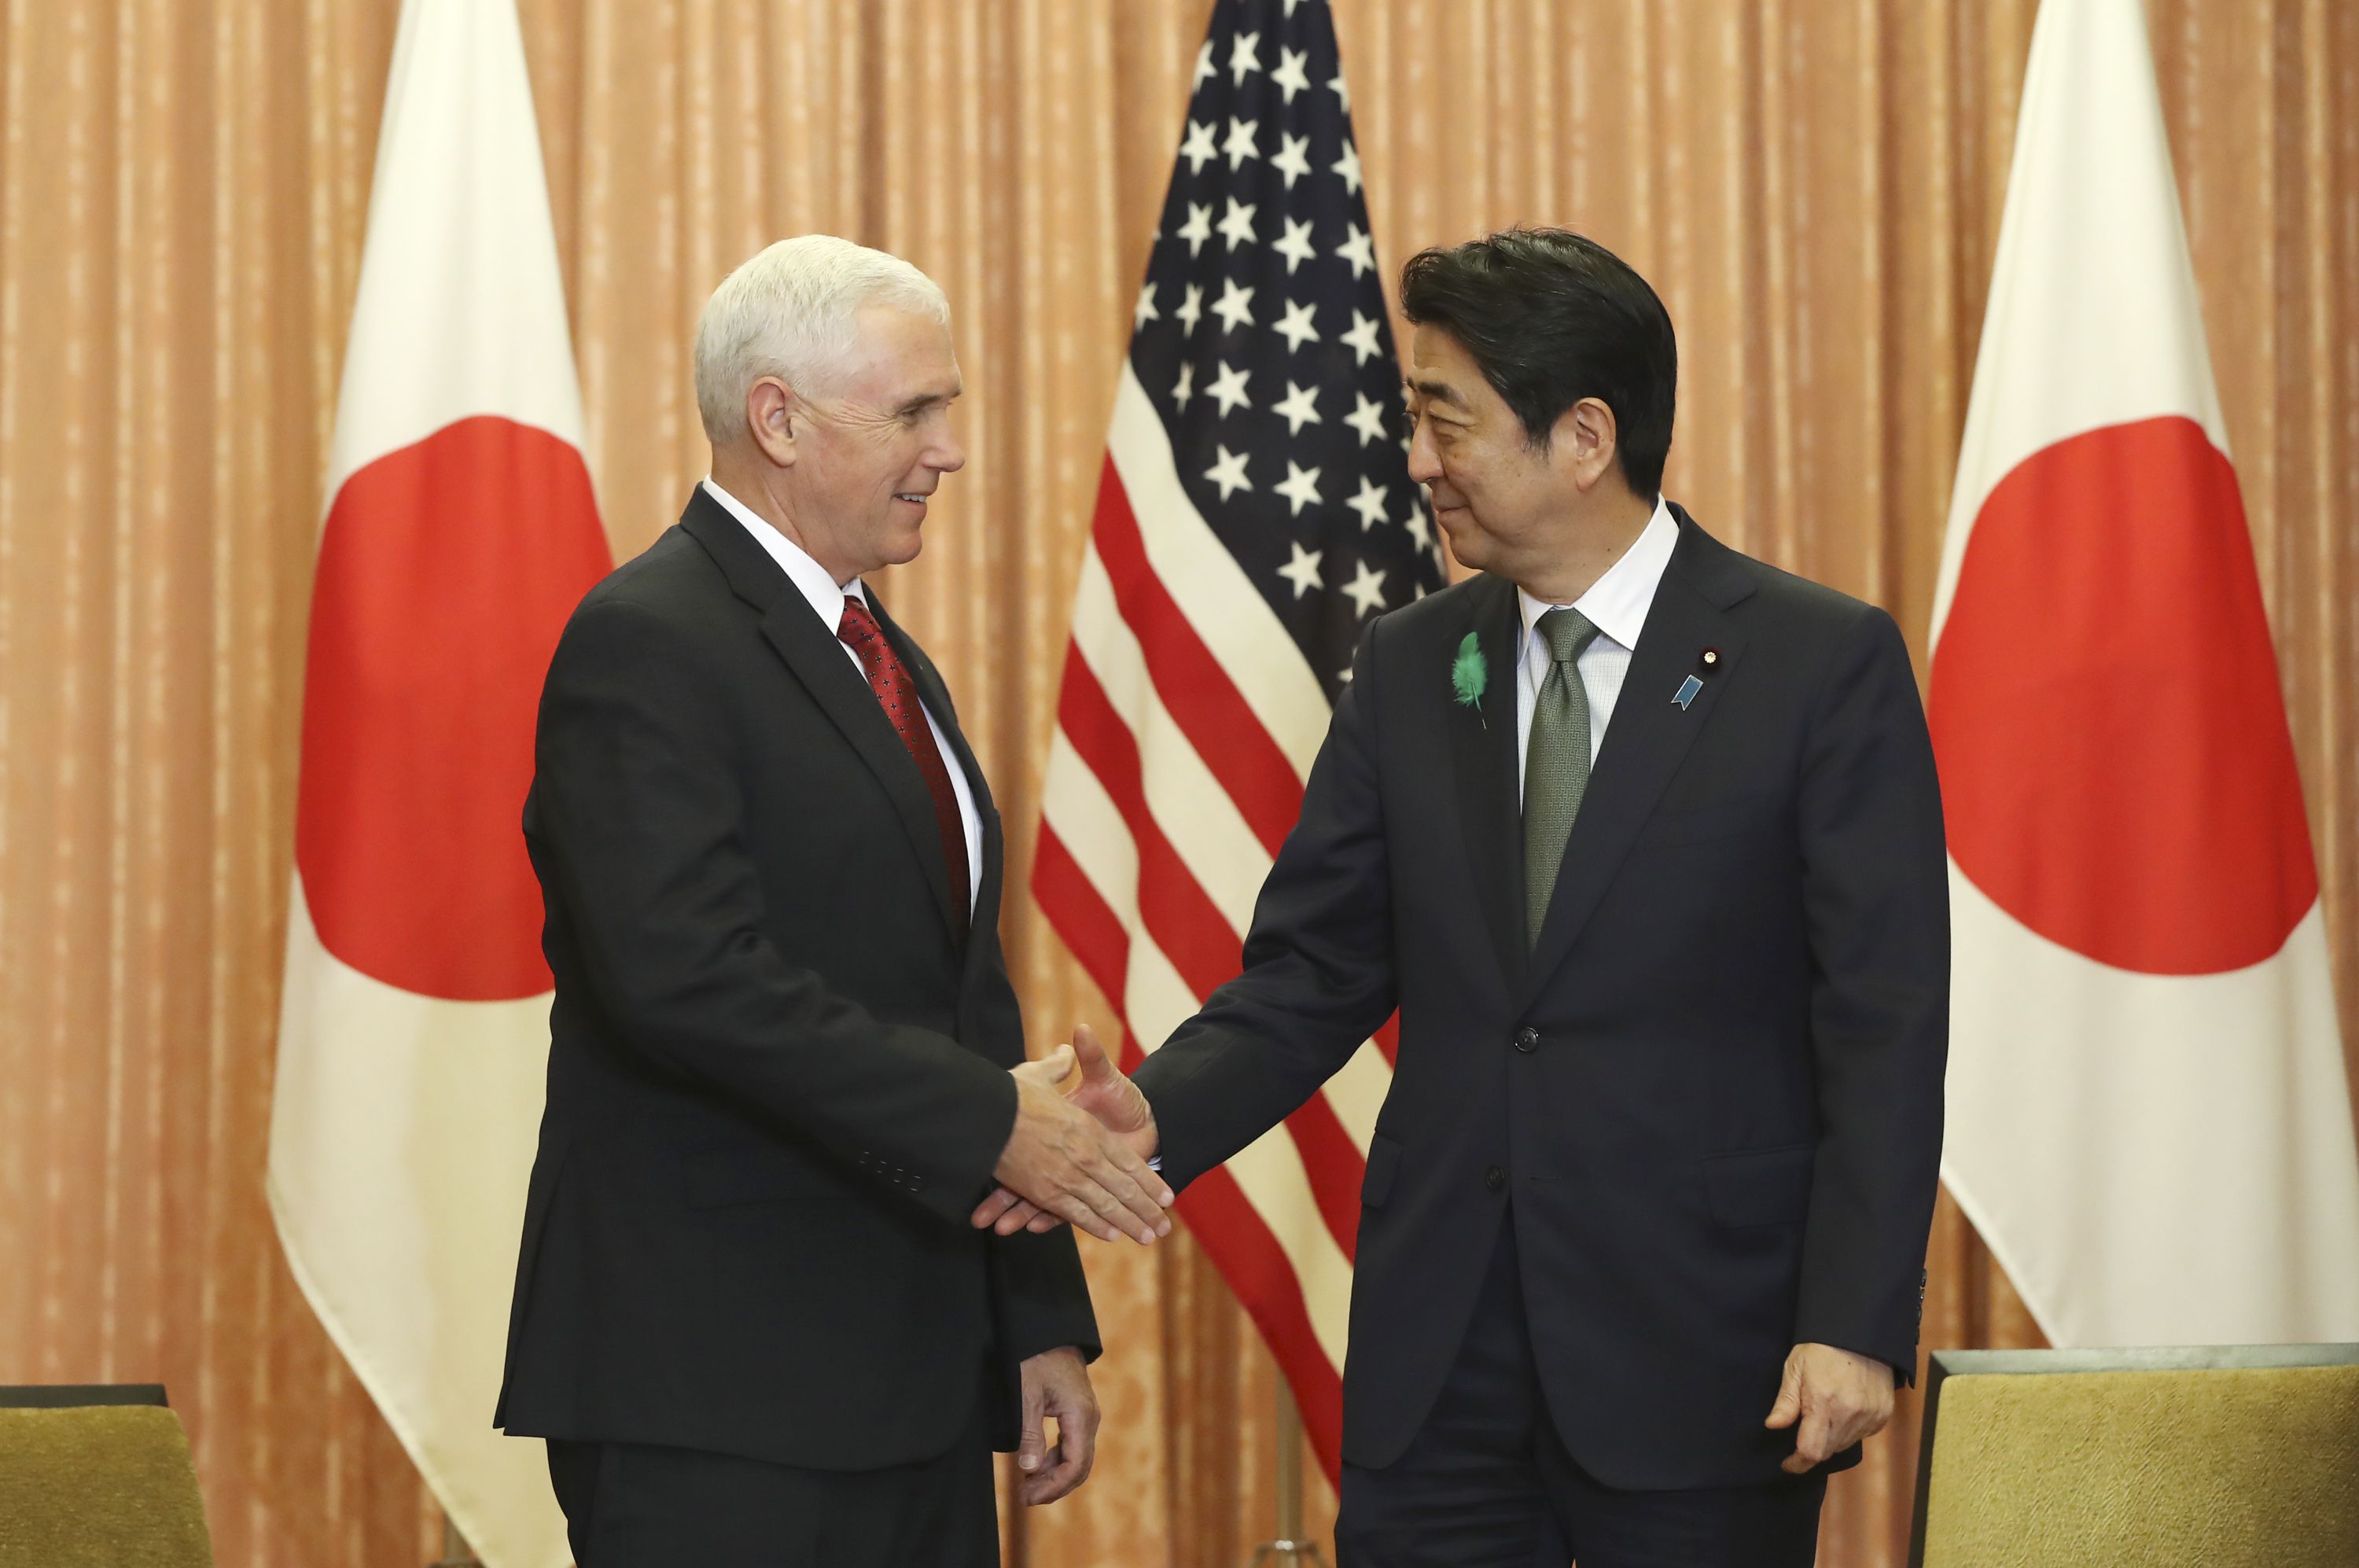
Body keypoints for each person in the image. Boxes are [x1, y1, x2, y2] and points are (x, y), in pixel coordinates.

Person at [978, 228, 1949, 1566]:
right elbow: (1311, 974)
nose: (1419, 461)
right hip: (1442, 1374)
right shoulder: (1412, 665)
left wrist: (1852, 1317)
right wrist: (1151, 1109)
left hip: (1698, 1358)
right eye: (1414, 418)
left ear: (1586, 436)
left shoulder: (1815, 663)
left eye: (1449, 421)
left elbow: (1884, 1024)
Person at [495, 234, 1172, 1567]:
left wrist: (1033, 1316)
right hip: (714, 1390)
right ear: (777, 419)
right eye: (916, 409)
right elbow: (685, 975)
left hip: (910, 1382)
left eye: (949, 405)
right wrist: (998, 1123)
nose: (952, 449)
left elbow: (963, 995)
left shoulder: (885, 655)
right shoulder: (648, 637)